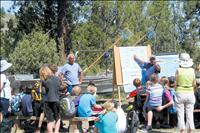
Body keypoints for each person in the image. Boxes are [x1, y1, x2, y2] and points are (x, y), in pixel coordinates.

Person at [175, 53, 196, 133]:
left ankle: (182, 131)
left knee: (180, 113)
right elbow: (194, 84)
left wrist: (176, 89)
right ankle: (189, 131)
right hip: (190, 92)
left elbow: (176, 83)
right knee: (190, 114)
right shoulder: (192, 70)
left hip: (180, 92)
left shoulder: (178, 70)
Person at [39, 65, 61, 133]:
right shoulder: (57, 78)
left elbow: (43, 92)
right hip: (56, 100)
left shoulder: (43, 81)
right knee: (58, 119)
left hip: (47, 101)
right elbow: (59, 88)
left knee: (50, 120)